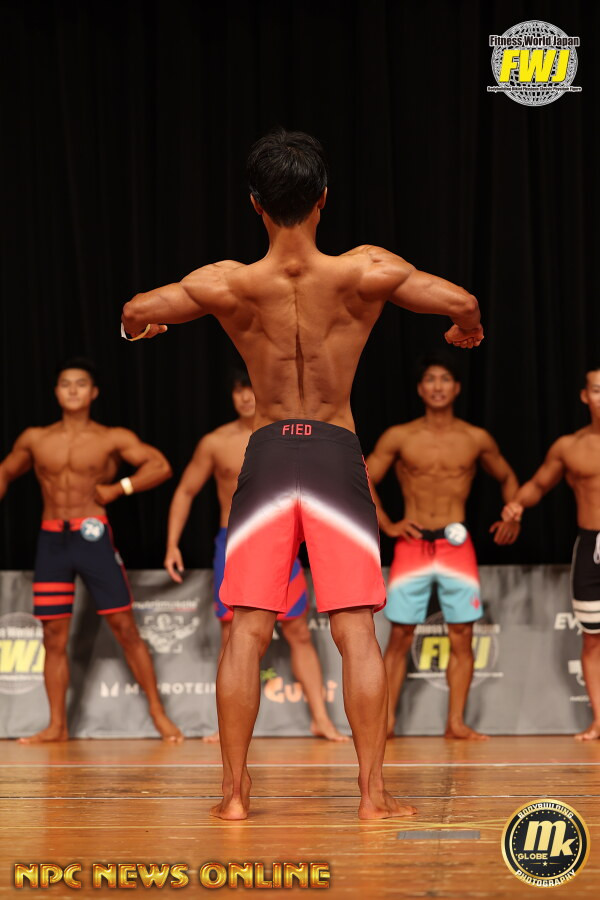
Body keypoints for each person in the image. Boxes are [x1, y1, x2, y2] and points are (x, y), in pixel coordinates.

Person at [121, 127, 484, 820]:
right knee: (355, 630)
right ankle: (373, 797)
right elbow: (461, 301)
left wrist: (143, 329)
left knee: (246, 630)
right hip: (333, 454)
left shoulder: (226, 281)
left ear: (255, 205)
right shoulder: (364, 270)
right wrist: (463, 330)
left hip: (265, 456)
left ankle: (234, 798)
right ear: (323, 198)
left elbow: (136, 311)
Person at [0, 358, 182, 743]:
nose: (72, 390)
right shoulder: (35, 438)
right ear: (56, 391)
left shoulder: (110, 437)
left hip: (92, 536)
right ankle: (57, 725)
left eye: (80, 384)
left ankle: (158, 713)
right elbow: (6, 471)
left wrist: (119, 488)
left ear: (93, 392)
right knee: (53, 635)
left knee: (124, 627)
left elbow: (160, 466)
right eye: (65, 383)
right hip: (52, 539)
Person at [164, 368, 348, 742]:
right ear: (232, 396)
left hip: (283, 539)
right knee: (232, 635)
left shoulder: (289, 436)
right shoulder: (216, 442)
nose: (247, 397)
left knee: (298, 632)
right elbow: (185, 490)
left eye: (252, 389)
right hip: (235, 542)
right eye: (239, 391)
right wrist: (172, 543)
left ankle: (321, 719)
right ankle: (227, 726)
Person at [365, 356, 520, 741]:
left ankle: (456, 723)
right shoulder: (400, 436)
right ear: (420, 389)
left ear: (456, 388)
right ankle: (385, 722)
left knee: (462, 634)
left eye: (445, 379)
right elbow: (363, 476)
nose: (437, 386)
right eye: (430, 380)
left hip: (456, 544)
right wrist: (387, 523)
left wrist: (513, 515)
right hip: (413, 542)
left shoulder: (475, 438)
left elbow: (507, 476)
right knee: (400, 634)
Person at [503, 366, 600, 742]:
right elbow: (539, 484)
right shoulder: (569, 447)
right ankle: (598, 721)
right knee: (592, 638)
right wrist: (517, 504)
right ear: (585, 396)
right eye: (597, 390)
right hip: (590, 546)